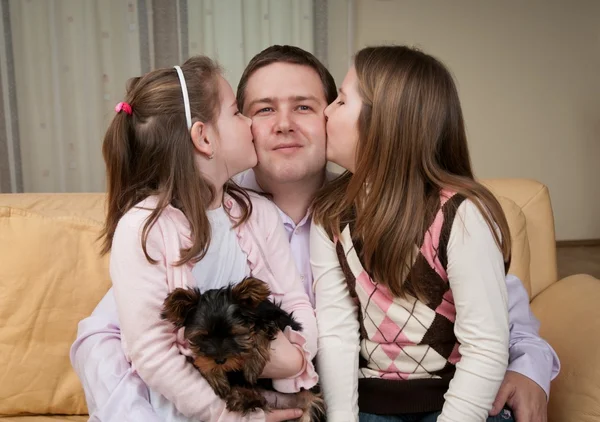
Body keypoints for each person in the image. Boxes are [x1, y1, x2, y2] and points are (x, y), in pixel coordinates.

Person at [71, 45, 559, 422]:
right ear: (224, 132)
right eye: (261, 110)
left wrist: (529, 368)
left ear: (334, 117)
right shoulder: (199, 215)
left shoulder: (391, 209)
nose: (283, 124)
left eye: (304, 106)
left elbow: (499, 319)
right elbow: (104, 337)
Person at [98, 55, 317, 422]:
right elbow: (152, 352)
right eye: (236, 113)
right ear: (203, 137)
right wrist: (228, 417)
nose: (250, 123)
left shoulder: (257, 212)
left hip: (257, 399)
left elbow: (293, 299)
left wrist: (298, 354)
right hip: (184, 411)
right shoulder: (144, 228)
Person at [311, 45, 523, 422]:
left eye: (341, 101)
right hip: (369, 405)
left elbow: (486, 346)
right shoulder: (330, 213)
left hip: (456, 405)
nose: (326, 111)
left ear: (385, 122)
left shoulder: (461, 214)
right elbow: (337, 329)